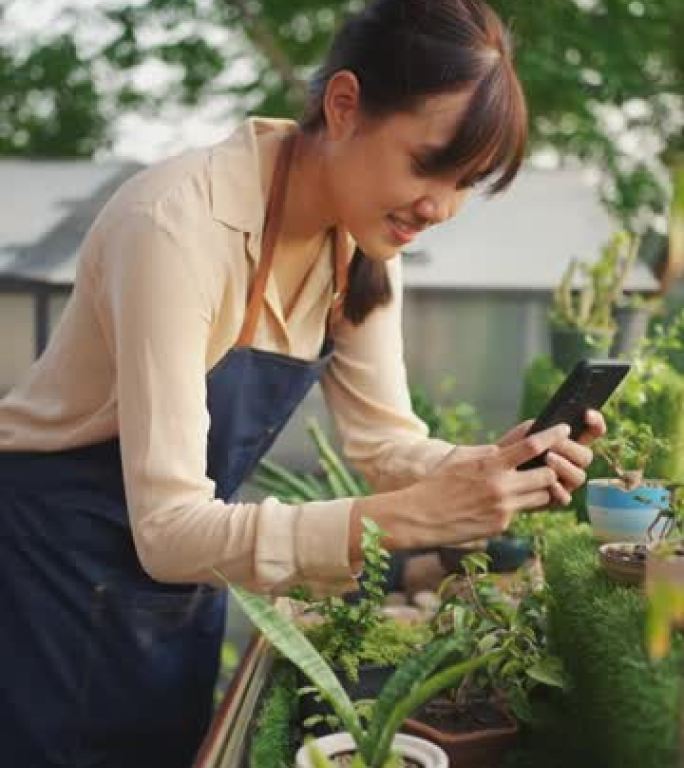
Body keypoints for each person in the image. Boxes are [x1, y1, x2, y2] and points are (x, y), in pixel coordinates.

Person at [0, 0, 605, 766]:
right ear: (344, 105)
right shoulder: (177, 225)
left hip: (176, 577)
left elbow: (387, 446)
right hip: (51, 561)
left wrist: (490, 470)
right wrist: (411, 518)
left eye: (466, 183)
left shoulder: (363, 245)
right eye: (429, 164)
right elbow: (169, 531)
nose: (441, 209)